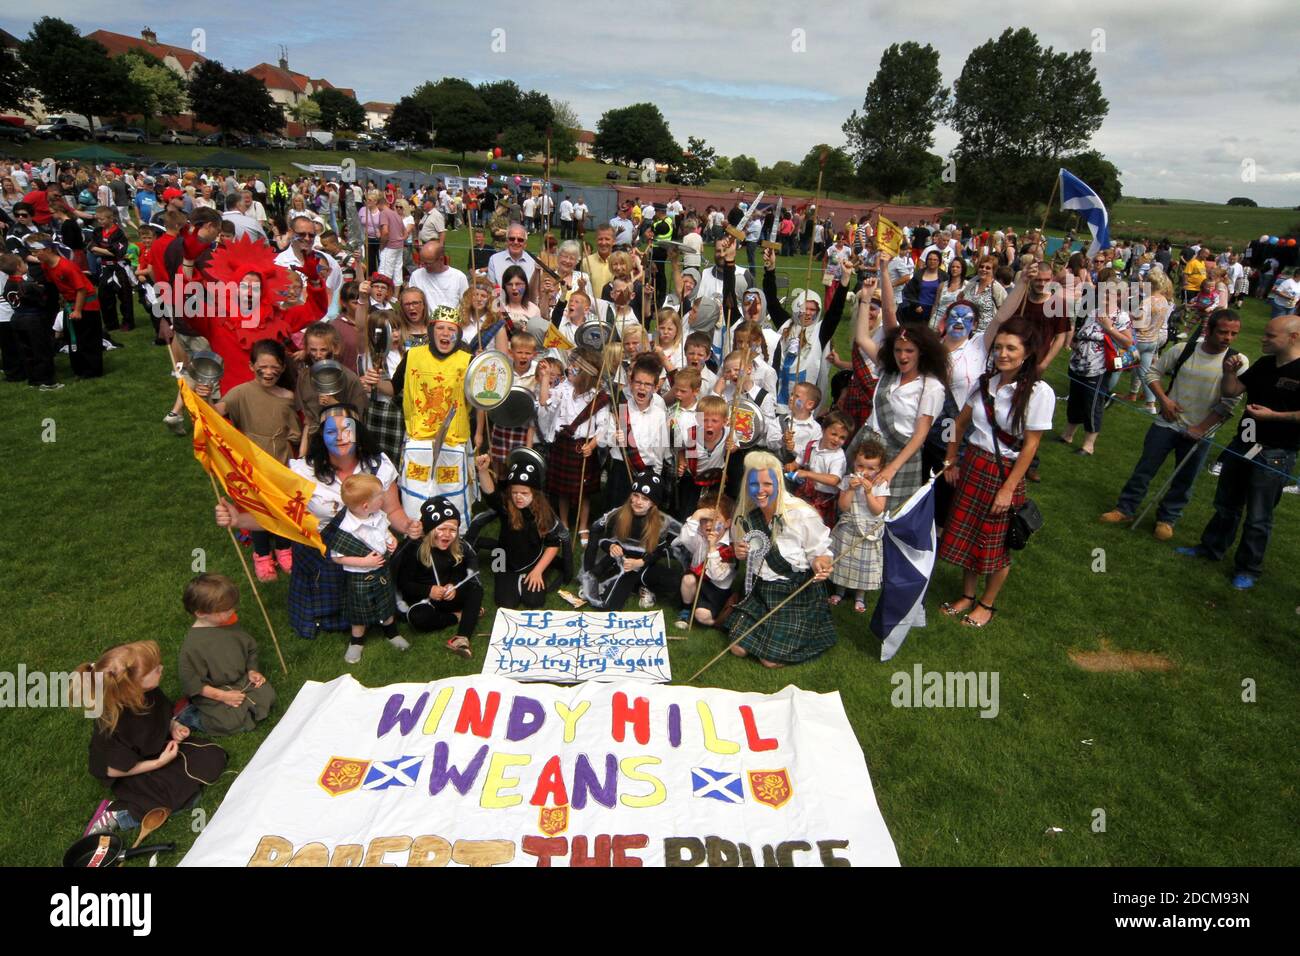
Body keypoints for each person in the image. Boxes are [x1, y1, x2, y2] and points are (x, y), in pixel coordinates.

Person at [937, 320, 1055, 627]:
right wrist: (951, 458)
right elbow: (960, 424)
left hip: (1004, 474)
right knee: (968, 535)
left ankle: (987, 604)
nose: (1002, 353)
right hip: (974, 464)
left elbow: (1030, 447)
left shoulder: (1039, 393)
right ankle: (967, 595)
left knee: (995, 544)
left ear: (1027, 353)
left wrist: (1008, 488)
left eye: (1011, 348)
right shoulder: (985, 382)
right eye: (999, 347)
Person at [1176, 314, 1300, 589]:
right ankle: (1211, 548)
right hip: (1242, 443)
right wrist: (1230, 372)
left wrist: (1274, 416)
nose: (1263, 339)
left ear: (1293, 337)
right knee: (1226, 505)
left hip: (1275, 453)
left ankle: (1248, 569)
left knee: (1258, 516)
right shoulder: (1266, 363)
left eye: (1270, 336)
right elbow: (1232, 390)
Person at [1101, 309, 1245, 541]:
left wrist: (1200, 429)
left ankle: (1167, 518)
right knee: (1145, 468)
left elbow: (1231, 402)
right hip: (1166, 423)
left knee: (1185, 478)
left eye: (1233, 334)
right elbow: (1152, 373)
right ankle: (1125, 509)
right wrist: (1164, 400)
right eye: (1223, 332)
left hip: (1202, 432)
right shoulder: (1183, 349)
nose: (1228, 338)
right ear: (1208, 331)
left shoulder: (1238, 361)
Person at [78, 640, 228, 837]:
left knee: (214, 757)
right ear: (132, 684)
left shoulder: (148, 691)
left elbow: (160, 716)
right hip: (131, 769)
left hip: (157, 750)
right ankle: (117, 814)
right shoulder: (110, 725)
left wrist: (174, 726)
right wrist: (158, 763)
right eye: (155, 669)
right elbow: (113, 770)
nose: (161, 668)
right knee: (175, 801)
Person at [727, 451, 836, 667]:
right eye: (754, 484)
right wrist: (740, 552)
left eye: (767, 483)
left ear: (778, 481)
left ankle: (812, 630)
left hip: (794, 591)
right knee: (737, 647)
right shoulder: (745, 513)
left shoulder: (802, 513)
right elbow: (743, 548)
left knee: (770, 660)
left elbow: (820, 552)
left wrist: (821, 563)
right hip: (761, 589)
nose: (760, 491)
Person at [175, 573, 276, 736]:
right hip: (214, 692)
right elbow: (192, 684)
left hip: (240, 681)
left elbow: (250, 648)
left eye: (232, 607)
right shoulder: (193, 646)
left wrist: (252, 671)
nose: (232, 612)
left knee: (268, 696)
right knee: (230, 723)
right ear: (201, 613)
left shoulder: (228, 624)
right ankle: (190, 716)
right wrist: (223, 696)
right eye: (225, 610)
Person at [473, 453, 567, 609]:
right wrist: (482, 471)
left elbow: (553, 544)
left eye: (524, 493)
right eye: (515, 492)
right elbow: (491, 495)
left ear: (535, 494)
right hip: (504, 560)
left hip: (533, 561)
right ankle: (509, 578)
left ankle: (530, 574)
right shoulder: (506, 506)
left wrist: (538, 571)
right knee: (505, 603)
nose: (518, 497)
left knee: (534, 602)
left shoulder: (544, 512)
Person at [329, 474, 406, 664]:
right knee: (359, 611)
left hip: (381, 572)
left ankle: (391, 632)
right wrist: (364, 563)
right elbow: (337, 557)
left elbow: (384, 531)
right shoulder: (347, 528)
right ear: (365, 505)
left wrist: (391, 540)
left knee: (386, 603)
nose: (383, 498)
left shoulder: (377, 515)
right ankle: (356, 641)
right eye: (380, 496)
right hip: (360, 578)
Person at [395, 495, 484, 657]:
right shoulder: (414, 549)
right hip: (427, 602)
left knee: (475, 589)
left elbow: (460, 575)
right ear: (429, 528)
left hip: (449, 597)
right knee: (418, 619)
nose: (447, 535)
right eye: (442, 528)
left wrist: (453, 587)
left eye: (452, 530)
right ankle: (458, 616)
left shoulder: (457, 548)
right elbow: (404, 583)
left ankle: (462, 637)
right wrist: (428, 590)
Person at [580, 471, 682, 610]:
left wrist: (641, 562)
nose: (638, 502)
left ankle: (640, 586)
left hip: (644, 564)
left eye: (645, 499)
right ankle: (635, 587)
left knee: (675, 581)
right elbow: (600, 536)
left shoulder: (662, 521)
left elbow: (659, 549)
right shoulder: (618, 514)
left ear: (653, 503)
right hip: (620, 563)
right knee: (609, 604)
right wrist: (610, 546)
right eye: (635, 495)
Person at [538, 346, 609, 544]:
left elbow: (604, 426)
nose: (570, 370)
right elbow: (544, 402)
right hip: (563, 444)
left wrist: (593, 445)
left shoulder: (598, 396)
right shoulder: (563, 389)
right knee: (562, 491)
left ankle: (584, 525)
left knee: (583, 492)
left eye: (575, 369)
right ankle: (564, 523)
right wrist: (545, 378)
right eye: (570, 366)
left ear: (586, 375)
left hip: (583, 447)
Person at [1059, 277, 1133, 456]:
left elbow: (1128, 342)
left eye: (1109, 293)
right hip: (1079, 363)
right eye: (1103, 292)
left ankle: (1088, 445)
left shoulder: (1121, 316)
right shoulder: (1094, 311)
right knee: (1075, 400)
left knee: (1092, 405)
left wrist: (1109, 328)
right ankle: (1067, 434)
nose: (1105, 296)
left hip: (1098, 367)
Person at [828, 438, 890, 614]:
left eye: (871, 468)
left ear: (880, 469)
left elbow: (877, 510)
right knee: (844, 560)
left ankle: (859, 596)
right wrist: (851, 489)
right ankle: (840, 591)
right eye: (861, 466)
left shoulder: (880, 484)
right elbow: (843, 506)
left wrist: (869, 492)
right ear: (854, 463)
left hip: (868, 530)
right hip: (849, 527)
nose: (865, 472)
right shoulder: (848, 480)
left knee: (863, 564)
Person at [674, 494, 737, 629]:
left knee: (701, 615)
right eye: (704, 519)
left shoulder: (730, 548)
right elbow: (684, 539)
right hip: (698, 580)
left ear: (727, 523)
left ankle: (718, 622)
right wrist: (697, 515)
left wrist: (713, 547)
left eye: (714, 519)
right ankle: (686, 609)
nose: (708, 524)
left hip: (716, 589)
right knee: (688, 580)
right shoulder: (700, 536)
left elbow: (716, 575)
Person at [786, 409, 853, 528]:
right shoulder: (811, 445)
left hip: (823, 501)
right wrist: (791, 466)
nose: (837, 439)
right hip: (804, 493)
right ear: (823, 430)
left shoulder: (838, 456)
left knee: (814, 529)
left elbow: (834, 480)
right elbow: (798, 461)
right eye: (834, 434)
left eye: (842, 437)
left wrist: (807, 474)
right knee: (794, 522)